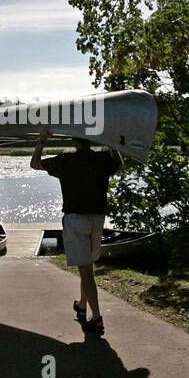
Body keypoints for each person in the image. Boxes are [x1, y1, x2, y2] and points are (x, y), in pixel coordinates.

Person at [31, 126, 121, 332]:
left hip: (75, 219)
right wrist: (112, 144)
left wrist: (41, 141)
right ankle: (82, 305)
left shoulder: (65, 160)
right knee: (86, 266)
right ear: (90, 140)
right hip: (98, 219)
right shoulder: (102, 159)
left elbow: (34, 164)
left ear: (73, 140)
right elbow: (118, 165)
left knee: (86, 270)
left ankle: (97, 317)